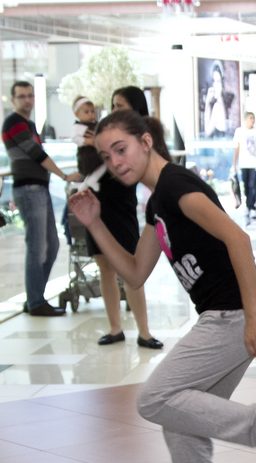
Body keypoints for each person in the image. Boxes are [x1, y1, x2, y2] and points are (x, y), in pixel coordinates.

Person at [69, 109, 256, 463]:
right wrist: (94, 223)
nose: (114, 162)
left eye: (121, 149)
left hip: (234, 313)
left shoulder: (176, 186)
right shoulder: (157, 202)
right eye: (106, 156)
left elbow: (238, 240)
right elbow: (135, 273)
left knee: (154, 398)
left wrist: (252, 316)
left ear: (146, 141)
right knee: (180, 421)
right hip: (228, 312)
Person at [81, 87, 161, 349]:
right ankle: (115, 328)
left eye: (120, 105)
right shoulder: (102, 133)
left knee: (131, 268)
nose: (114, 110)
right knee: (105, 267)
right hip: (97, 203)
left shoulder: (138, 138)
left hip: (121, 205)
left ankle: (144, 331)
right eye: (113, 105)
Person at [3, 81, 81, 316]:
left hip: (38, 187)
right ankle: (36, 301)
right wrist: (64, 175)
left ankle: (34, 297)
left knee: (52, 245)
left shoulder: (29, 124)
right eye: (21, 96)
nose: (27, 100)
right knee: (37, 247)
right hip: (29, 189)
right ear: (13, 100)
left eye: (30, 95)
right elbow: (36, 154)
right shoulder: (14, 122)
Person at [232, 111, 256, 225]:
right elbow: (237, 148)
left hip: (254, 163)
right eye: (250, 118)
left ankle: (251, 207)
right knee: (245, 186)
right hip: (243, 163)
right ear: (245, 119)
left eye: (253, 118)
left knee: (252, 185)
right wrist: (234, 164)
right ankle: (247, 206)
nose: (252, 120)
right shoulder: (239, 131)